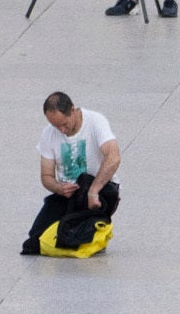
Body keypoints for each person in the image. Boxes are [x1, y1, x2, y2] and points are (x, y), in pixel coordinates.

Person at [26, 90, 121, 256]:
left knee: (76, 234)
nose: (61, 130)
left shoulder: (95, 121)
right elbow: (46, 176)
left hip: (98, 189)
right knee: (34, 242)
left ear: (72, 110)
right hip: (68, 194)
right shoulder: (49, 134)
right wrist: (58, 188)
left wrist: (93, 191)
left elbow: (114, 157)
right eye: (56, 126)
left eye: (64, 124)